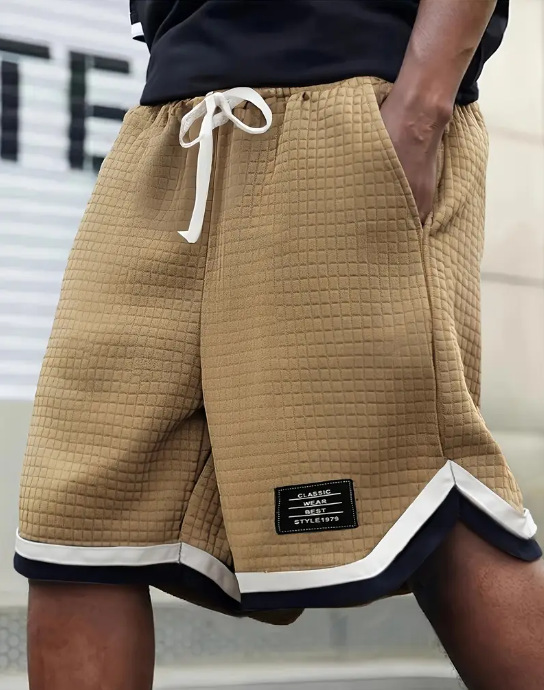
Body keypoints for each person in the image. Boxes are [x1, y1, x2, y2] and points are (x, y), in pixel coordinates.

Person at [15, 1, 544, 688]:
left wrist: (418, 112)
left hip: (347, 101)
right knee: (77, 517)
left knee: (416, 479)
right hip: (170, 126)